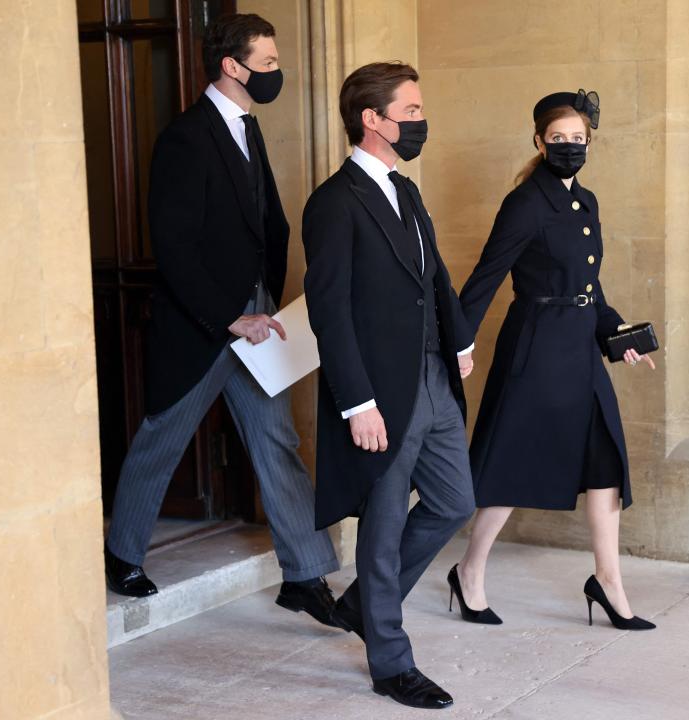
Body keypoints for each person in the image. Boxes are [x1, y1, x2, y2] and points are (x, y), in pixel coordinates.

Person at [103, 13, 339, 627]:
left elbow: (266, 224)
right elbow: (174, 245)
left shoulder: (247, 128)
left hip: (256, 317)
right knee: (162, 438)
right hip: (205, 326)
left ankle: (305, 575)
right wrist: (230, 316)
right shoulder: (185, 137)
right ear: (232, 67)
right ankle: (123, 555)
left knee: (276, 441)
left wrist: (266, 300)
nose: (276, 73)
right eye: (266, 64)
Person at [301, 62, 476, 709]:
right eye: (410, 111)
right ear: (373, 120)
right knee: (380, 531)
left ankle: (360, 607)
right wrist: (357, 403)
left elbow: (436, 278)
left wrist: (457, 340)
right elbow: (330, 310)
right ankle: (391, 662)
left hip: (435, 378)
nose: (420, 122)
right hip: (380, 393)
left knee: (455, 501)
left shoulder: (408, 193)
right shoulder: (333, 202)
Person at [450, 90, 657, 632]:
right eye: (558, 139)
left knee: (605, 464)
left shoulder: (585, 200)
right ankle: (469, 572)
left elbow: (589, 286)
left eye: (578, 139)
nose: (569, 147)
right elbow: (486, 276)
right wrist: (459, 342)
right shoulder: (525, 202)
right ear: (539, 141)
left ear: (589, 142)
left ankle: (608, 582)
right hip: (537, 347)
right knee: (510, 465)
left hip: (582, 349)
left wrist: (617, 332)